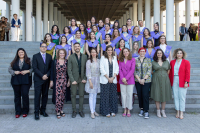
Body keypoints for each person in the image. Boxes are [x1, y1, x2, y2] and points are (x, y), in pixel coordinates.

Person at [8, 48, 32, 118]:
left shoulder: (29, 60)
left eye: (22, 52)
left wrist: (27, 71)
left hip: (26, 80)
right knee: (17, 96)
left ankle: (25, 111)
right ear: (17, 54)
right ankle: (18, 111)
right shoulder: (14, 61)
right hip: (16, 81)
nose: (21, 53)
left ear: (24, 53)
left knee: (25, 95)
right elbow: (9, 69)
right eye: (19, 52)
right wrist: (14, 72)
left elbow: (33, 68)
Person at [32, 42, 52, 120]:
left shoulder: (49, 56)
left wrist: (47, 75)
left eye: (45, 47)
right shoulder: (35, 56)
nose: (44, 48)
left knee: (45, 96)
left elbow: (51, 68)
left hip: (46, 79)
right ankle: (36, 112)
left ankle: (42, 110)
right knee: (37, 97)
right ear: (40, 47)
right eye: (42, 46)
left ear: (46, 48)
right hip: (38, 80)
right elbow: (34, 68)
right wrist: (42, 75)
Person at [169, 48, 191, 119]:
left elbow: (188, 73)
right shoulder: (172, 62)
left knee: (182, 97)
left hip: (182, 80)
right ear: (176, 54)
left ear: (183, 54)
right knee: (176, 96)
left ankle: (181, 112)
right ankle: (177, 111)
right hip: (174, 79)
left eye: (180, 53)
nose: (179, 54)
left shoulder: (186, 62)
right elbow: (170, 73)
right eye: (178, 53)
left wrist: (186, 82)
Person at [67, 42, 88, 118]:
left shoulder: (85, 57)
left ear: (80, 47)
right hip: (74, 79)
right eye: (75, 46)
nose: (77, 48)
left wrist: (85, 78)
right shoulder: (71, 57)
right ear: (74, 48)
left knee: (81, 95)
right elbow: (69, 69)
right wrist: (72, 80)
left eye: (78, 46)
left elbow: (87, 69)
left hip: (82, 79)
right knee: (73, 95)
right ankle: (74, 110)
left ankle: (80, 110)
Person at [151, 49, 172, 118]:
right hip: (156, 79)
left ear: (162, 54)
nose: (159, 54)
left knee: (164, 95)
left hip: (165, 79)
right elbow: (151, 71)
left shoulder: (166, 61)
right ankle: (158, 111)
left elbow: (168, 70)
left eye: (160, 53)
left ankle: (163, 111)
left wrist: (164, 75)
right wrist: (156, 74)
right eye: (158, 53)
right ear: (156, 54)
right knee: (157, 95)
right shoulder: (153, 62)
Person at [50, 49, 70, 119]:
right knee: (58, 96)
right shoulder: (55, 61)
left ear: (65, 54)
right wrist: (51, 80)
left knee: (63, 96)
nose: (62, 54)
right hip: (57, 81)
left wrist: (69, 81)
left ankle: (61, 109)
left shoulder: (66, 61)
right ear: (58, 54)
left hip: (64, 81)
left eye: (63, 53)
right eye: (60, 53)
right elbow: (52, 71)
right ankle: (58, 111)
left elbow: (69, 72)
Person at [100, 45, 119, 117]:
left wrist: (113, 77)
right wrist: (108, 78)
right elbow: (101, 69)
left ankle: (112, 110)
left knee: (113, 96)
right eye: (108, 50)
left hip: (113, 80)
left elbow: (117, 68)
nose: (110, 51)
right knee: (105, 96)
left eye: (111, 50)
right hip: (105, 80)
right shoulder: (103, 57)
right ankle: (106, 111)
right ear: (106, 51)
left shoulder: (114, 58)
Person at [134, 47, 152, 119]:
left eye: (143, 51)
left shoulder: (148, 60)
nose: (142, 52)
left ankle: (146, 111)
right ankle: (141, 109)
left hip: (146, 81)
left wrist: (144, 79)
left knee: (145, 95)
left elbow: (149, 70)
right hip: (138, 81)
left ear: (145, 52)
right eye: (141, 51)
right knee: (140, 95)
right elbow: (134, 70)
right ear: (139, 52)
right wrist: (139, 79)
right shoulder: (135, 60)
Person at [118, 48, 135, 117]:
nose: (125, 53)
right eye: (124, 52)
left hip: (130, 80)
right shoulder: (120, 60)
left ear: (129, 52)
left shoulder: (133, 60)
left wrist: (126, 78)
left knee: (129, 95)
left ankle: (129, 109)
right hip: (122, 81)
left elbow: (132, 70)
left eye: (126, 51)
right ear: (122, 53)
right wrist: (123, 79)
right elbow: (120, 70)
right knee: (123, 95)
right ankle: (125, 109)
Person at [85, 48, 100, 119]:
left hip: (97, 80)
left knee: (95, 96)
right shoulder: (88, 61)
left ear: (97, 53)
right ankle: (91, 112)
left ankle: (94, 110)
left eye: (95, 52)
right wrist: (90, 82)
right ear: (90, 53)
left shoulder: (99, 61)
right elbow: (88, 72)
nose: (94, 53)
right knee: (91, 96)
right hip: (91, 79)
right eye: (92, 52)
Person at [115, 39, 125, 105]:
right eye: (120, 42)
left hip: (125, 64)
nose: (122, 43)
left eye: (123, 42)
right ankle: (118, 94)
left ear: (124, 43)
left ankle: (123, 96)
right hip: (118, 63)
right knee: (118, 79)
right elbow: (116, 58)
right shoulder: (116, 50)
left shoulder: (126, 49)